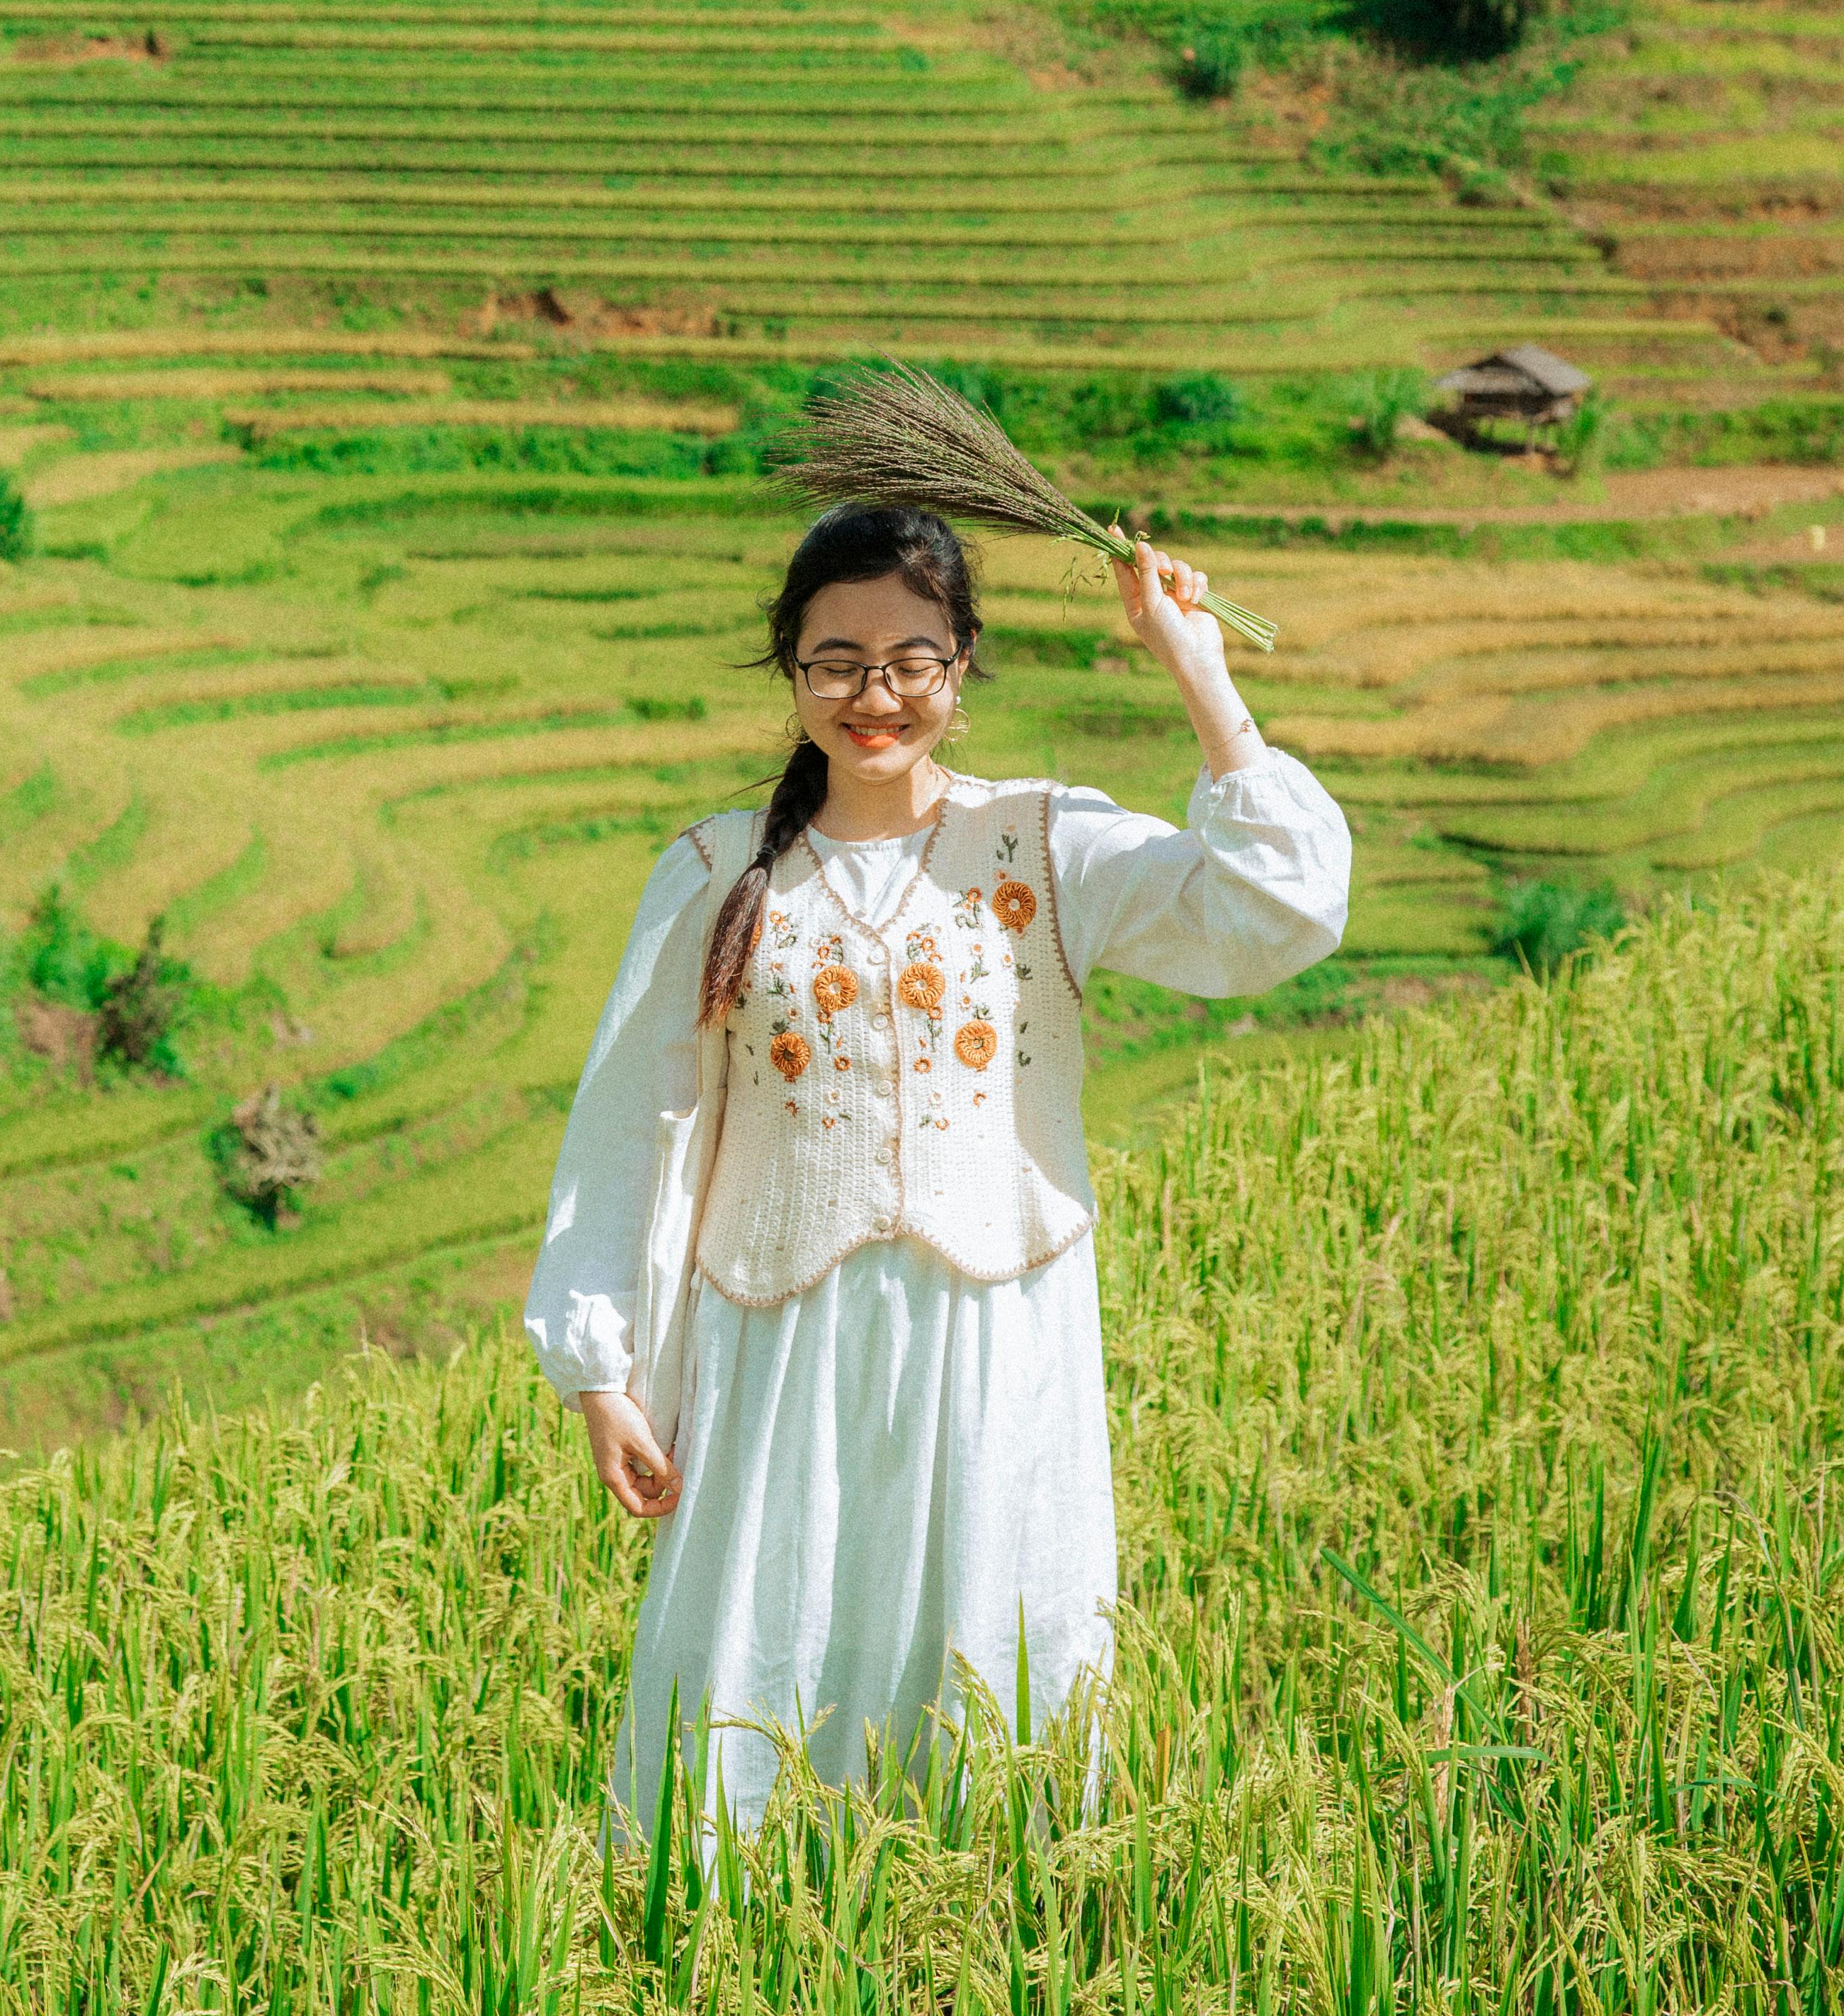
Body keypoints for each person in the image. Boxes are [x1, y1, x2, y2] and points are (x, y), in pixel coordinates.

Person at [520, 500, 1351, 1840]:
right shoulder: (718, 871)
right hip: (781, 1356)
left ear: (961, 670)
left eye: (912, 661)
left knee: (988, 1661)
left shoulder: (1048, 845)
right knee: (764, 1666)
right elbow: (631, 1121)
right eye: (837, 663)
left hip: (996, 1346)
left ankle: (976, 1929)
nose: (875, 697)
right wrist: (601, 1375)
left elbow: (1285, 906)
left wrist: (1200, 667)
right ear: (789, 672)